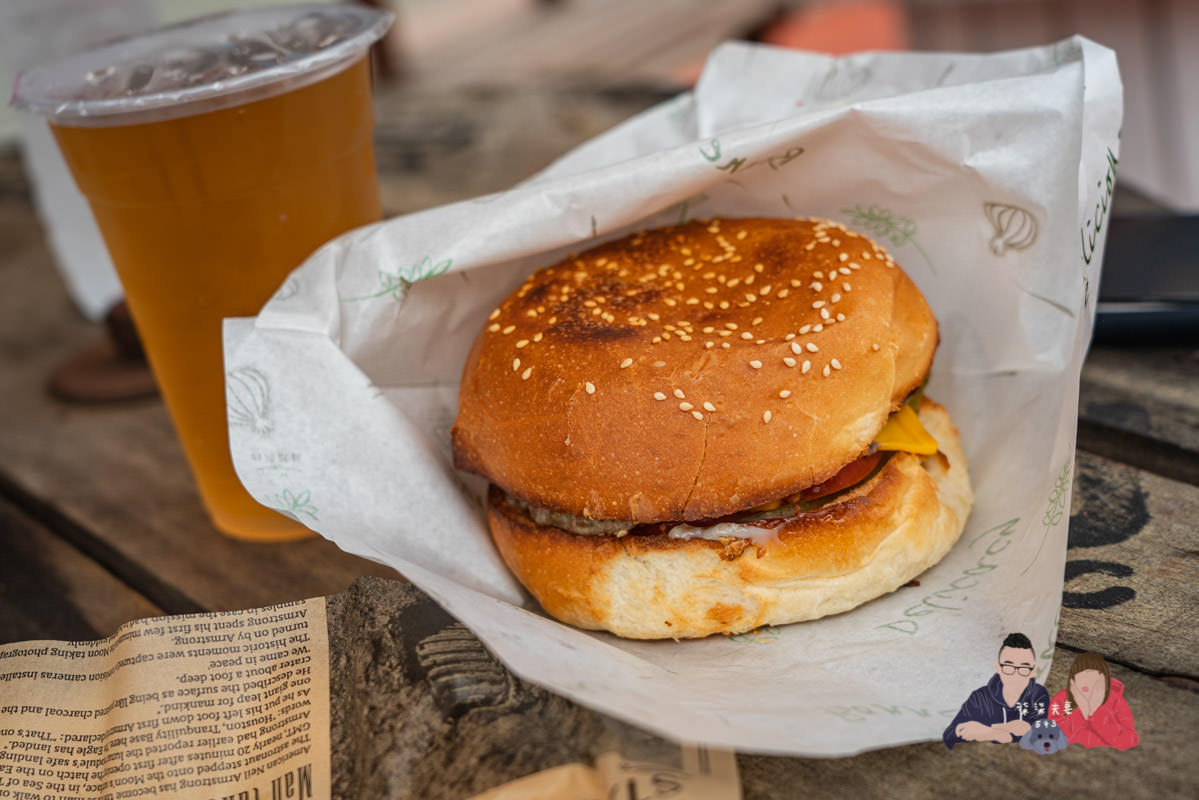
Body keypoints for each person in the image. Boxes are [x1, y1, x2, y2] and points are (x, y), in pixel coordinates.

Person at [943, 632, 1049, 749]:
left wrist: (992, 731)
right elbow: (949, 735)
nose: (1015, 675)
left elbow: (1042, 736)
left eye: (1024, 668)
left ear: (1034, 671)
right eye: (1008, 666)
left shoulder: (1038, 695)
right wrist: (996, 732)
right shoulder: (980, 697)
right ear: (998, 667)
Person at [1048, 652, 1139, 750]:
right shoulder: (1062, 699)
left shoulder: (1115, 701)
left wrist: (1097, 711)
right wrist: (1082, 712)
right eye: (1080, 677)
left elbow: (1127, 741)